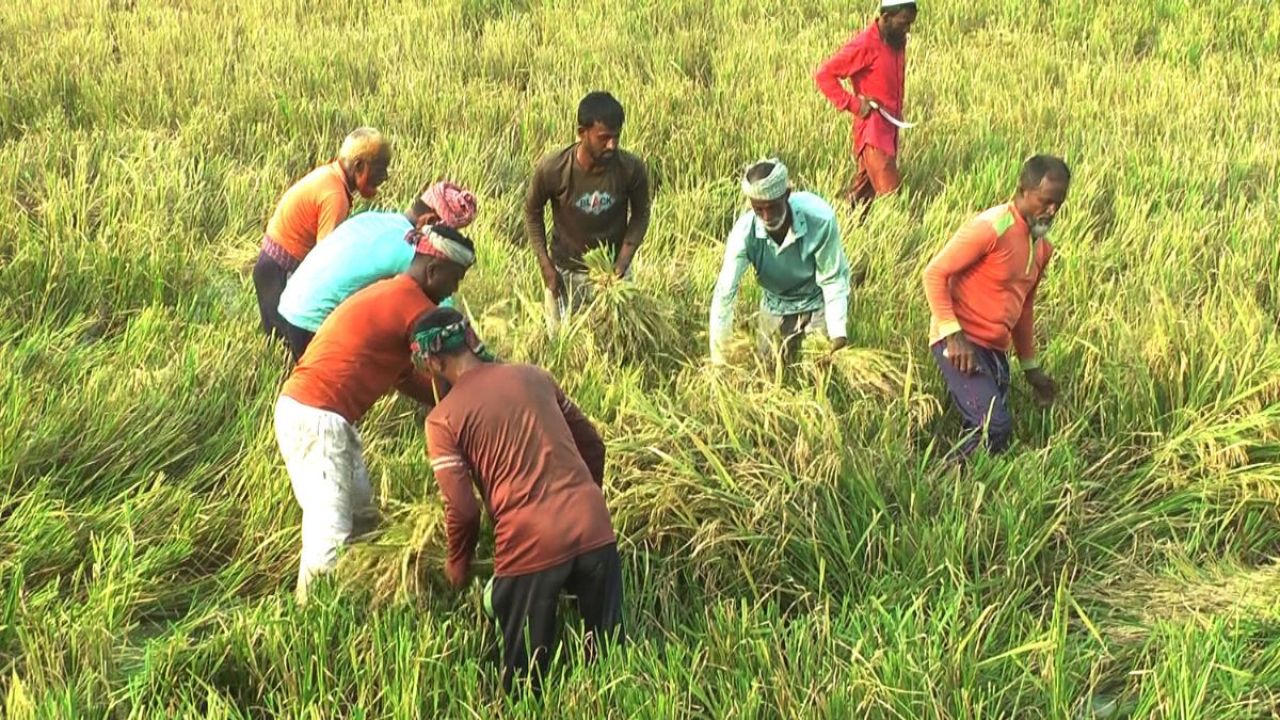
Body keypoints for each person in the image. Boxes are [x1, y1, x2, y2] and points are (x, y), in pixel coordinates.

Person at [414, 308, 622, 694]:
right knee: (610, 664)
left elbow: (462, 509)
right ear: (472, 338)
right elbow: (593, 445)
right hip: (594, 525)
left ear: (434, 361)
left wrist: (458, 563)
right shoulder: (534, 376)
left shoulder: (442, 420)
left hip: (531, 542)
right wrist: (582, 499)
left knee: (525, 684)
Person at [273, 225, 475, 603]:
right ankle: (311, 614)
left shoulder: (392, 296)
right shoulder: (412, 305)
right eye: (455, 278)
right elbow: (448, 362)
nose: (454, 291)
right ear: (433, 270)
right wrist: (475, 400)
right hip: (318, 418)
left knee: (364, 518)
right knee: (330, 527)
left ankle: (362, 592)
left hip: (322, 416)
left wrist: (445, 403)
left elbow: (408, 378)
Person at [922, 155, 1069, 461]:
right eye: (1045, 201)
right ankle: (947, 484)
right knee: (994, 427)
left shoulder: (1042, 247)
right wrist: (953, 335)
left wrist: (1031, 370)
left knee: (989, 427)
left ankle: (967, 474)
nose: (1052, 210)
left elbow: (1023, 307)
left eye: (1059, 203)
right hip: (961, 343)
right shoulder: (992, 227)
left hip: (995, 349)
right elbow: (934, 273)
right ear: (1023, 191)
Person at [276, 181, 478, 360]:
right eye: (443, 240)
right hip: (310, 324)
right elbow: (443, 314)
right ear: (430, 222)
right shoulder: (412, 250)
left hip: (287, 306)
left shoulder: (372, 218)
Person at [524, 91, 652, 333]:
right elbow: (532, 212)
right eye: (603, 138)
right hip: (566, 275)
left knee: (617, 346)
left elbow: (641, 214)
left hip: (613, 277)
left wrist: (623, 261)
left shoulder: (630, 169)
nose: (612, 145)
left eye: (617, 137)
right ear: (582, 132)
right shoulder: (554, 168)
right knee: (564, 347)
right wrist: (546, 265)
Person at [254, 127, 392, 343]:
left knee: (282, 344)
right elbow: (327, 261)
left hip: (272, 267)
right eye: (380, 169)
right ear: (359, 166)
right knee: (289, 345)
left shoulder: (329, 177)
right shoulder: (335, 196)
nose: (385, 177)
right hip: (279, 273)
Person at [709, 159, 852, 367]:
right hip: (775, 303)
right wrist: (720, 361)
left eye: (773, 207)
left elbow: (832, 280)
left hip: (815, 300)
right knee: (768, 367)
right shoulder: (744, 234)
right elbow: (725, 293)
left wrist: (838, 333)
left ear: (787, 194)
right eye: (759, 209)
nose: (767, 217)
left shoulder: (819, 219)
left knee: (816, 370)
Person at [814, 1, 917, 216]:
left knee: (862, 196)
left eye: (911, 24)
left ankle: (843, 225)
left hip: (889, 129)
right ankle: (901, 239)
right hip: (873, 133)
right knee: (893, 198)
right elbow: (824, 75)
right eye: (904, 23)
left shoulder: (896, 40)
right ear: (886, 17)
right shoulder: (864, 45)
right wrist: (854, 104)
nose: (908, 30)